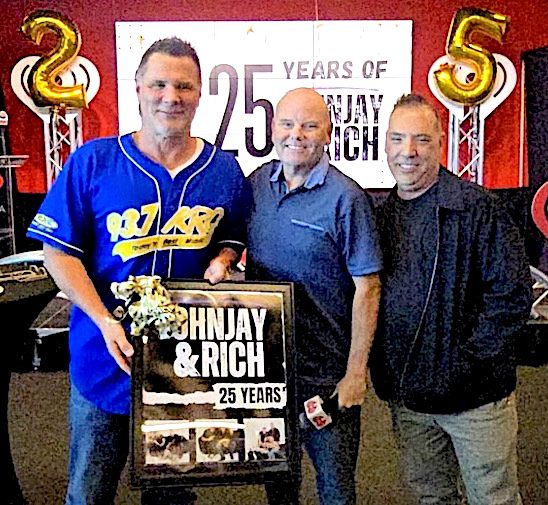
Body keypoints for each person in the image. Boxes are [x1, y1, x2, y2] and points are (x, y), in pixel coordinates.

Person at [27, 37, 251, 505]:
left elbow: (232, 236)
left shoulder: (224, 170)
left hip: (182, 366)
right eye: (159, 85)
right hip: (103, 355)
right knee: (89, 491)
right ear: (138, 89)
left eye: (184, 86)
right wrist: (102, 318)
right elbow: (57, 253)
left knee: (173, 496)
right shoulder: (93, 161)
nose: (171, 97)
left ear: (200, 93)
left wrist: (225, 258)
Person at [369, 93, 532, 505]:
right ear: (385, 144)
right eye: (398, 139)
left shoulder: (478, 208)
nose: (408, 151)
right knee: (432, 498)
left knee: (493, 499)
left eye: (421, 139)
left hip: (475, 402)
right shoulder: (381, 217)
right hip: (410, 402)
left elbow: (512, 296)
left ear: (441, 143)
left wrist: (464, 366)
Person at [246, 88, 383, 505]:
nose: (296, 135)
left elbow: (368, 287)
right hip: (267, 374)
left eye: (309, 126)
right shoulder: (257, 185)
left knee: (335, 489)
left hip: (327, 375)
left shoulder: (347, 197)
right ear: (273, 129)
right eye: (287, 124)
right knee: (278, 484)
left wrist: (355, 373)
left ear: (327, 132)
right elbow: (231, 242)